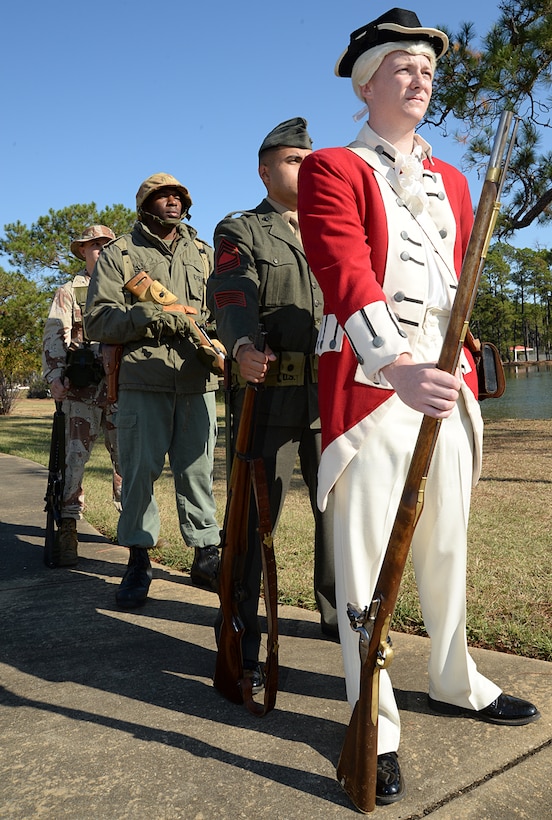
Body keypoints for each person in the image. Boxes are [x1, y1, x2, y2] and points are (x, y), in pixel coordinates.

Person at [297, 8, 540, 806]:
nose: (421, 78)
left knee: (445, 547)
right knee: (369, 566)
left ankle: (454, 678)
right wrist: (396, 364)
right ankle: (377, 721)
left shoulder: (457, 181)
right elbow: (342, 269)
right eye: (402, 67)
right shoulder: (333, 168)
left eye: (426, 69)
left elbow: (458, 286)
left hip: (450, 384)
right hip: (376, 387)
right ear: (367, 84)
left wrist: (451, 370)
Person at [207, 117, 337, 690]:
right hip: (269, 394)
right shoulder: (243, 229)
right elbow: (232, 293)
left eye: (311, 161)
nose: (305, 170)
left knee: (340, 516)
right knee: (257, 521)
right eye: (293, 162)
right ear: (265, 171)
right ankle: (241, 638)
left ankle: (342, 624)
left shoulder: (337, 224)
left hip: (333, 397)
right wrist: (239, 344)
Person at [84, 173, 220, 608]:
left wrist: (216, 338)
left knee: (197, 472)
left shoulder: (204, 254)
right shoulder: (119, 254)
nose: (173, 202)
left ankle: (206, 554)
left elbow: (222, 309)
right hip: (143, 380)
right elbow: (99, 321)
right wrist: (151, 316)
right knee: (140, 473)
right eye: (162, 196)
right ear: (145, 205)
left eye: (178, 196)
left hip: (197, 380)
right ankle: (138, 559)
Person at [43, 224, 122, 567]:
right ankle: (69, 529)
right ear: (83, 252)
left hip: (120, 390)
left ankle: (134, 529)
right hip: (80, 392)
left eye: (107, 245)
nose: (101, 250)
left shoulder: (126, 289)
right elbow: (54, 334)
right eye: (95, 246)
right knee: (73, 460)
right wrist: (54, 375)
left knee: (128, 461)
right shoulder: (69, 291)